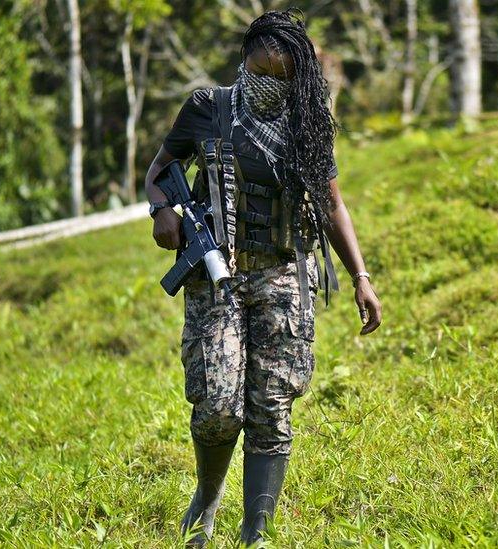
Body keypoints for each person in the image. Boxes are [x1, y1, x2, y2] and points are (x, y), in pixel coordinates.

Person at [142, 9, 382, 547]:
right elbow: (159, 171)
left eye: (281, 76)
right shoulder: (208, 109)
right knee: (216, 406)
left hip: (282, 276)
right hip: (216, 275)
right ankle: (206, 498)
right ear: (243, 60)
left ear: (298, 75)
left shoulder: (307, 124)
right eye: (259, 70)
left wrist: (361, 276)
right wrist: (163, 213)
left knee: (272, 406)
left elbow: (333, 205)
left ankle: (256, 533)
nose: (267, 84)